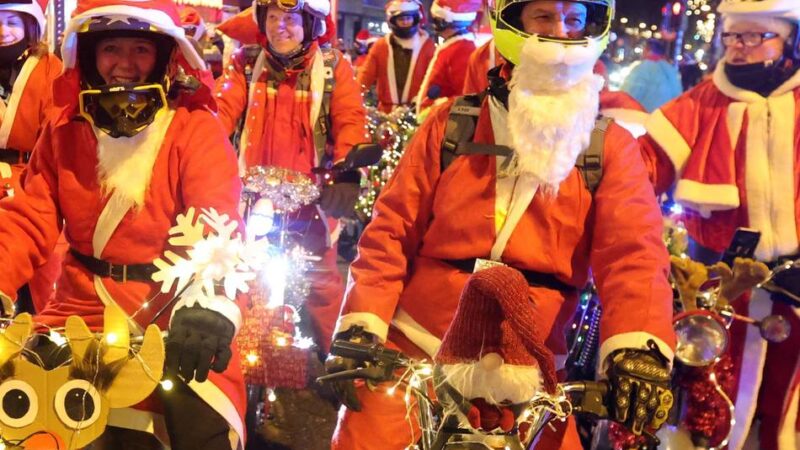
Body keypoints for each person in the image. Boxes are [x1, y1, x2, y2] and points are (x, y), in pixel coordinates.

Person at [326, 0, 676, 449]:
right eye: (545, 17)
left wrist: (636, 349)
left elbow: (635, 254)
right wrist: (361, 323)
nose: (562, 33)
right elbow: (390, 232)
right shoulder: (452, 124)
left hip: (536, 367)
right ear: (515, 23)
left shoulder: (610, 147)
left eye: (574, 20)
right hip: (420, 344)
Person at [0, 0, 247, 448]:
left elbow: (219, 223)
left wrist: (208, 307)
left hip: (173, 310)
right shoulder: (64, 128)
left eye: (140, 49)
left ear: (164, 55)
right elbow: (27, 219)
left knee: (202, 429)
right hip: (80, 308)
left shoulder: (195, 128)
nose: (125, 65)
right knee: (25, 412)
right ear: (91, 54)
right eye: (111, 48)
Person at [639, 1, 800, 449]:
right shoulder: (697, 107)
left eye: (753, 37)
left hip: (796, 295)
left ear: (789, 42)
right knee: (711, 413)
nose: (738, 49)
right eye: (732, 37)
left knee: (787, 412)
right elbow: (638, 170)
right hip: (720, 295)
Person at [214, 0, 368, 352]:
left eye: (290, 19)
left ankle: (334, 362)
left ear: (311, 24)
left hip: (310, 202)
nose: (279, 26)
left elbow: (350, 120)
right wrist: (200, 142)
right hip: (250, 199)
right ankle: (227, 355)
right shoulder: (246, 62)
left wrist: (347, 172)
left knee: (324, 286)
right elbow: (220, 112)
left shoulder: (332, 68)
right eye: (272, 17)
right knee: (232, 274)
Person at [0, 0, 63, 314]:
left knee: (35, 280)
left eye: (11, 21)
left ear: (30, 26)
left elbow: (56, 133)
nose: (2, 30)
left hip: (31, 179)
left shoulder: (51, 68)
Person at [356, 0, 435, 113]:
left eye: (408, 18)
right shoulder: (381, 46)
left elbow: (433, 78)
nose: (405, 22)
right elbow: (365, 76)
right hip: (386, 113)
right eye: (401, 19)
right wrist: (354, 97)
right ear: (393, 21)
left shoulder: (427, 46)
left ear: (416, 18)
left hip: (416, 111)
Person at [415, 0, 478, 114]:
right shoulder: (454, 47)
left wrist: (440, 107)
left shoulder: (462, 50)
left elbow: (465, 95)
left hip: (441, 123)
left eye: (437, 20)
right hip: (435, 120)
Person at [620, 38, 683, 112]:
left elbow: (628, 96)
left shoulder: (643, 68)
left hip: (643, 118)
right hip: (665, 118)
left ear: (648, 50)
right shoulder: (671, 70)